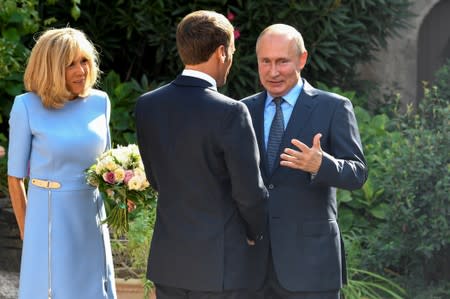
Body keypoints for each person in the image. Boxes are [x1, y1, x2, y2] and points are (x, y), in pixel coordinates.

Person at [135, 10, 268, 299]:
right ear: (222, 52)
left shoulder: (147, 105)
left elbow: (155, 178)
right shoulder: (231, 111)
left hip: (168, 263)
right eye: (231, 51)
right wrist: (255, 233)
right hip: (220, 266)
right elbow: (249, 193)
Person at [241, 24, 368, 299]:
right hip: (252, 266)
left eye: (282, 61)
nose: (273, 72)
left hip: (312, 266)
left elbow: (358, 174)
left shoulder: (333, 107)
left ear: (302, 59)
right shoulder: (241, 111)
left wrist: (321, 164)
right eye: (266, 61)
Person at [7, 27, 117, 299]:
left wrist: (126, 192)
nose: (81, 71)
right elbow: (14, 178)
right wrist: (27, 233)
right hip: (48, 219)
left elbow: (109, 167)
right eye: (70, 65)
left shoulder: (100, 102)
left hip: (92, 216)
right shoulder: (26, 106)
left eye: (84, 61)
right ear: (50, 68)